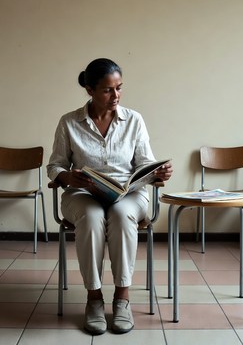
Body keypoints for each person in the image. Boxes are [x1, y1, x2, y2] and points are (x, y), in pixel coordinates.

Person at [47, 58, 173, 335]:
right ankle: (94, 299)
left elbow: (144, 163)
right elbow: (54, 165)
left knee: (120, 214)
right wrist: (69, 177)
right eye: (107, 90)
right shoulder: (69, 122)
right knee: (92, 217)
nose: (115, 96)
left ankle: (122, 299)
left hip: (129, 195)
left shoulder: (134, 120)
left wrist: (157, 173)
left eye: (119, 88)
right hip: (82, 193)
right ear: (90, 90)